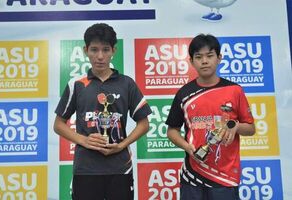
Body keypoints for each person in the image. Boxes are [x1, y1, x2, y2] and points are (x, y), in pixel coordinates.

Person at [53, 23, 152, 200]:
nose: (100, 56)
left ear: (114, 50)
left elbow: (144, 124)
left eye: (105, 50)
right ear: (85, 50)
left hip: (120, 167)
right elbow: (58, 125)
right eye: (94, 50)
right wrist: (84, 140)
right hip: (86, 169)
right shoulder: (76, 84)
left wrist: (122, 145)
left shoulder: (127, 83)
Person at [165, 34, 255, 200]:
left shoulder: (235, 90)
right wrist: (187, 147)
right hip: (192, 175)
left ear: (219, 58)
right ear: (191, 61)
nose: (204, 61)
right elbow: (172, 131)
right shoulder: (184, 94)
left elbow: (250, 129)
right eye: (198, 57)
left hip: (225, 176)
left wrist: (235, 126)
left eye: (209, 56)